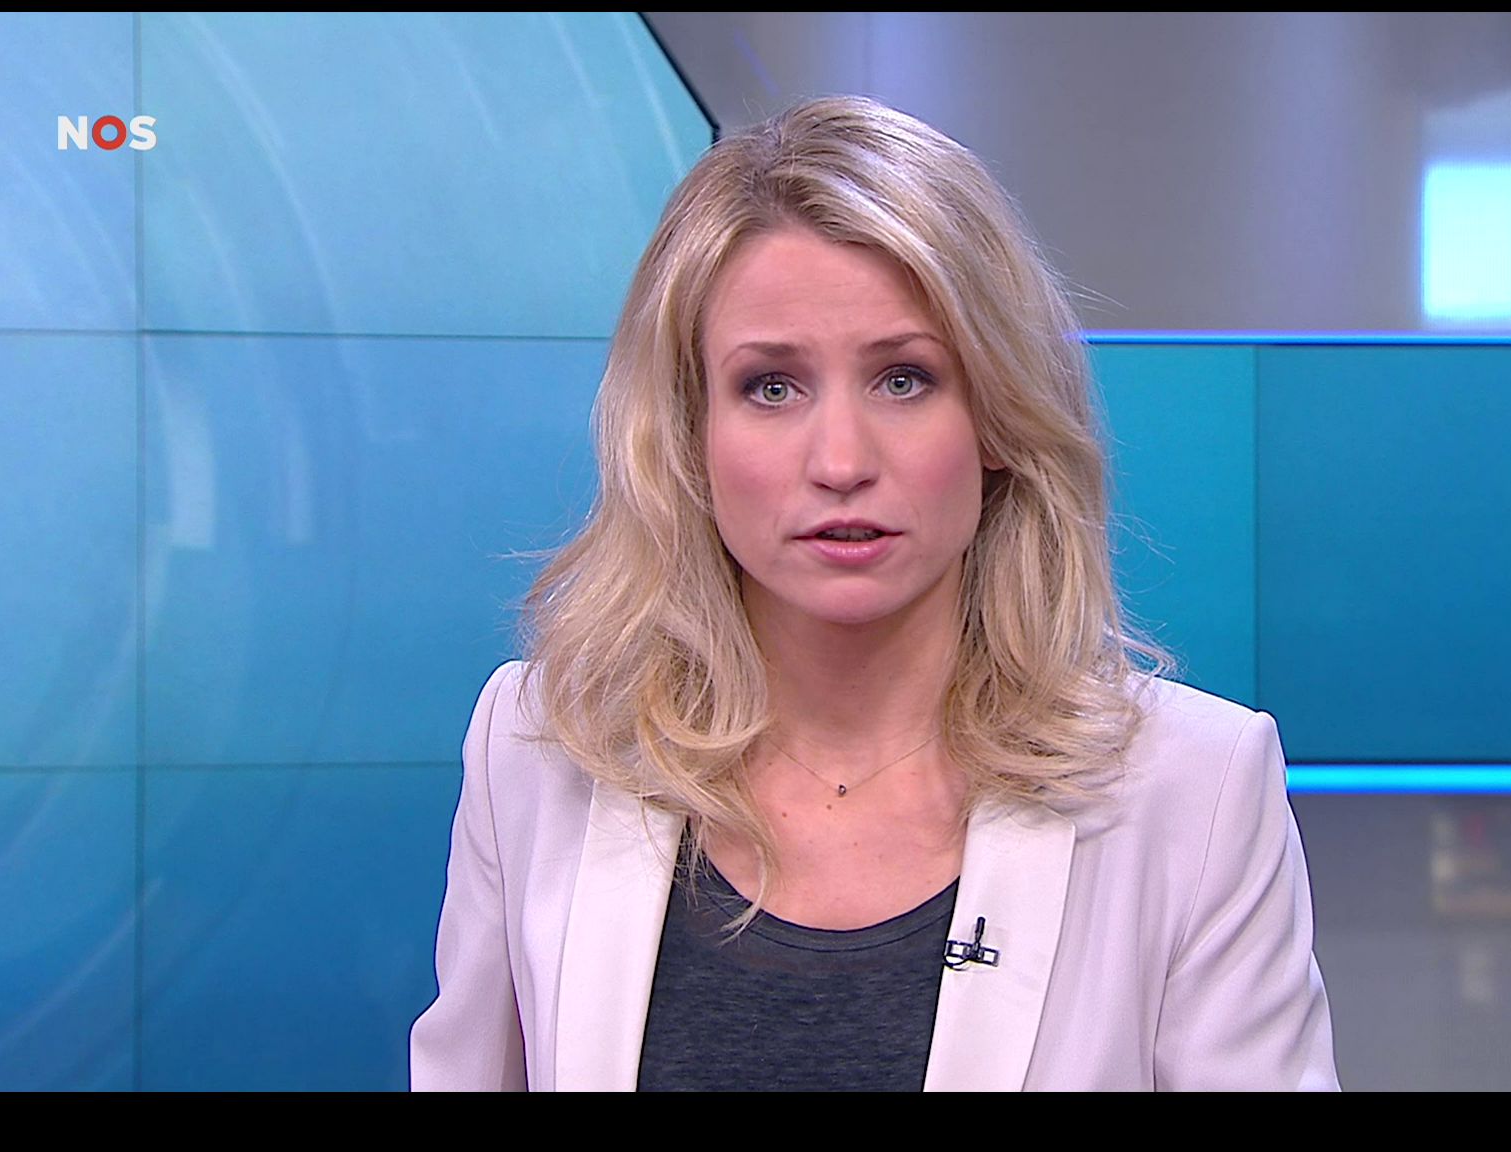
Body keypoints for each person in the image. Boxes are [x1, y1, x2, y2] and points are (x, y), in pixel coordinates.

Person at [408, 95, 1338, 1091]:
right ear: (688, 434)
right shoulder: (535, 752)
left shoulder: (1195, 792)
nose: (841, 462)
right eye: (772, 386)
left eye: (903, 380)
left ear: (997, 419)